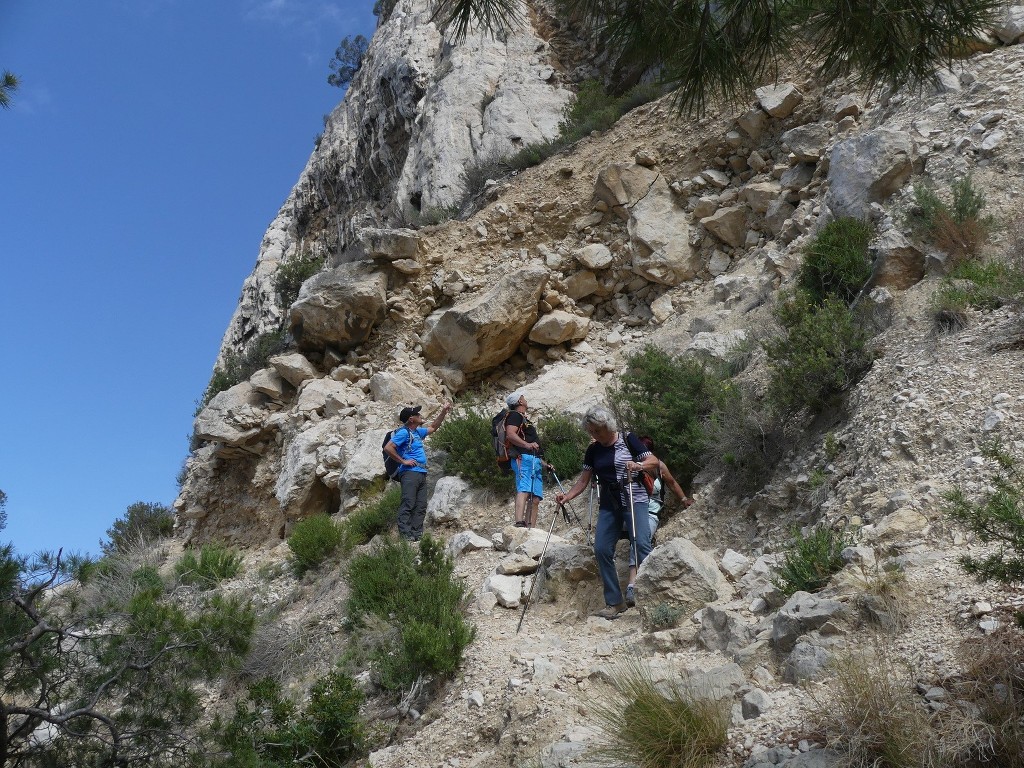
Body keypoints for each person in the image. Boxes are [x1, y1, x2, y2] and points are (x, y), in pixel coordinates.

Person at [555, 405, 659, 619]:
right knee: (601, 548)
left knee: (641, 544)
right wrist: (567, 496)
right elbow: (584, 480)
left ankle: (652, 595)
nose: (594, 435)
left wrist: (638, 465)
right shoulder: (593, 450)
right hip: (609, 503)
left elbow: (653, 461)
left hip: (634, 497)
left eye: (597, 430)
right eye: (591, 431)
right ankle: (615, 602)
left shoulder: (628, 439)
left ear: (607, 426)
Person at [623, 436, 693, 604]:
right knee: (637, 539)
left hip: (651, 513)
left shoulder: (658, 466)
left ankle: (633, 585)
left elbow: (672, 482)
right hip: (632, 510)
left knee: (640, 540)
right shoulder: (630, 465)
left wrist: (684, 500)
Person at [384, 402, 452, 541]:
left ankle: (416, 534)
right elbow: (388, 448)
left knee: (421, 505)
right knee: (408, 502)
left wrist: (443, 412)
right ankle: (405, 535)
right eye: (417, 414)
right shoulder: (404, 432)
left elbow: (433, 427)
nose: (420, 415)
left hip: (420, 472)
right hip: (409, 473)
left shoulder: (416, 432)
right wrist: (403, 461)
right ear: (411, 419)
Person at [504, 390, 548, 528]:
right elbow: (510, 435)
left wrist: (545, 464)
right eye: (523, 397)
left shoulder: (522, 418)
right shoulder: (515, 416)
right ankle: (519, 522)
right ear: (520, 402)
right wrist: (527, 445)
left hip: (533, 460)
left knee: (535, 497)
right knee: (524, 489)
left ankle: (531, 527)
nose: (525, 399)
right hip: (522, 458)